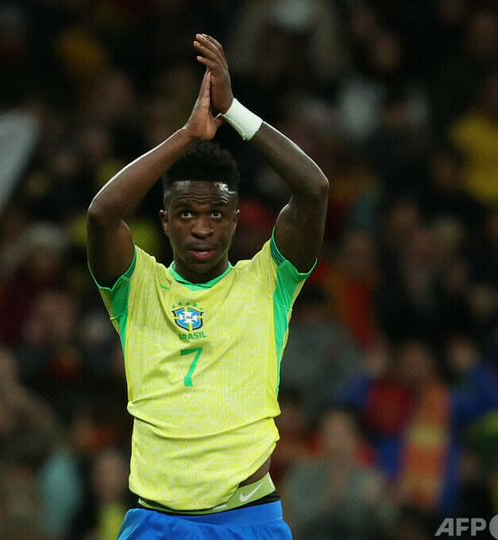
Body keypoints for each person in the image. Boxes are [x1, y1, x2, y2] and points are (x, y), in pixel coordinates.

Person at [86, 33, 329, 539]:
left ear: (236, 219)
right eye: (186, 213)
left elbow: (314, 189)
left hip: (248, 519)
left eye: (217, 213)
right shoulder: (137, 285)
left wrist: (233, 111)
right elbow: (102, 215)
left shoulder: (268, 280)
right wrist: (187, 136)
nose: (201, 227)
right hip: (157, 522)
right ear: (165, 221)